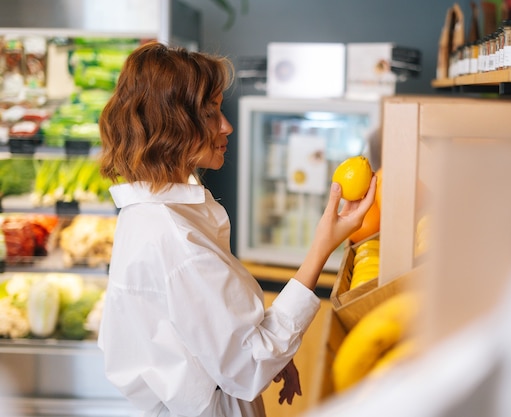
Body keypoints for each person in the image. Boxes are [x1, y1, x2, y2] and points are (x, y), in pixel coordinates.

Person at [97, 41, 376, 417]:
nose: (226, 125)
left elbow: (214, 335)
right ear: (173, 125)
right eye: (210, 113)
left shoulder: (148, 211)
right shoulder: (175, 238)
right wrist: (321, 247)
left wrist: (269, 351)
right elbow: (248, 366)